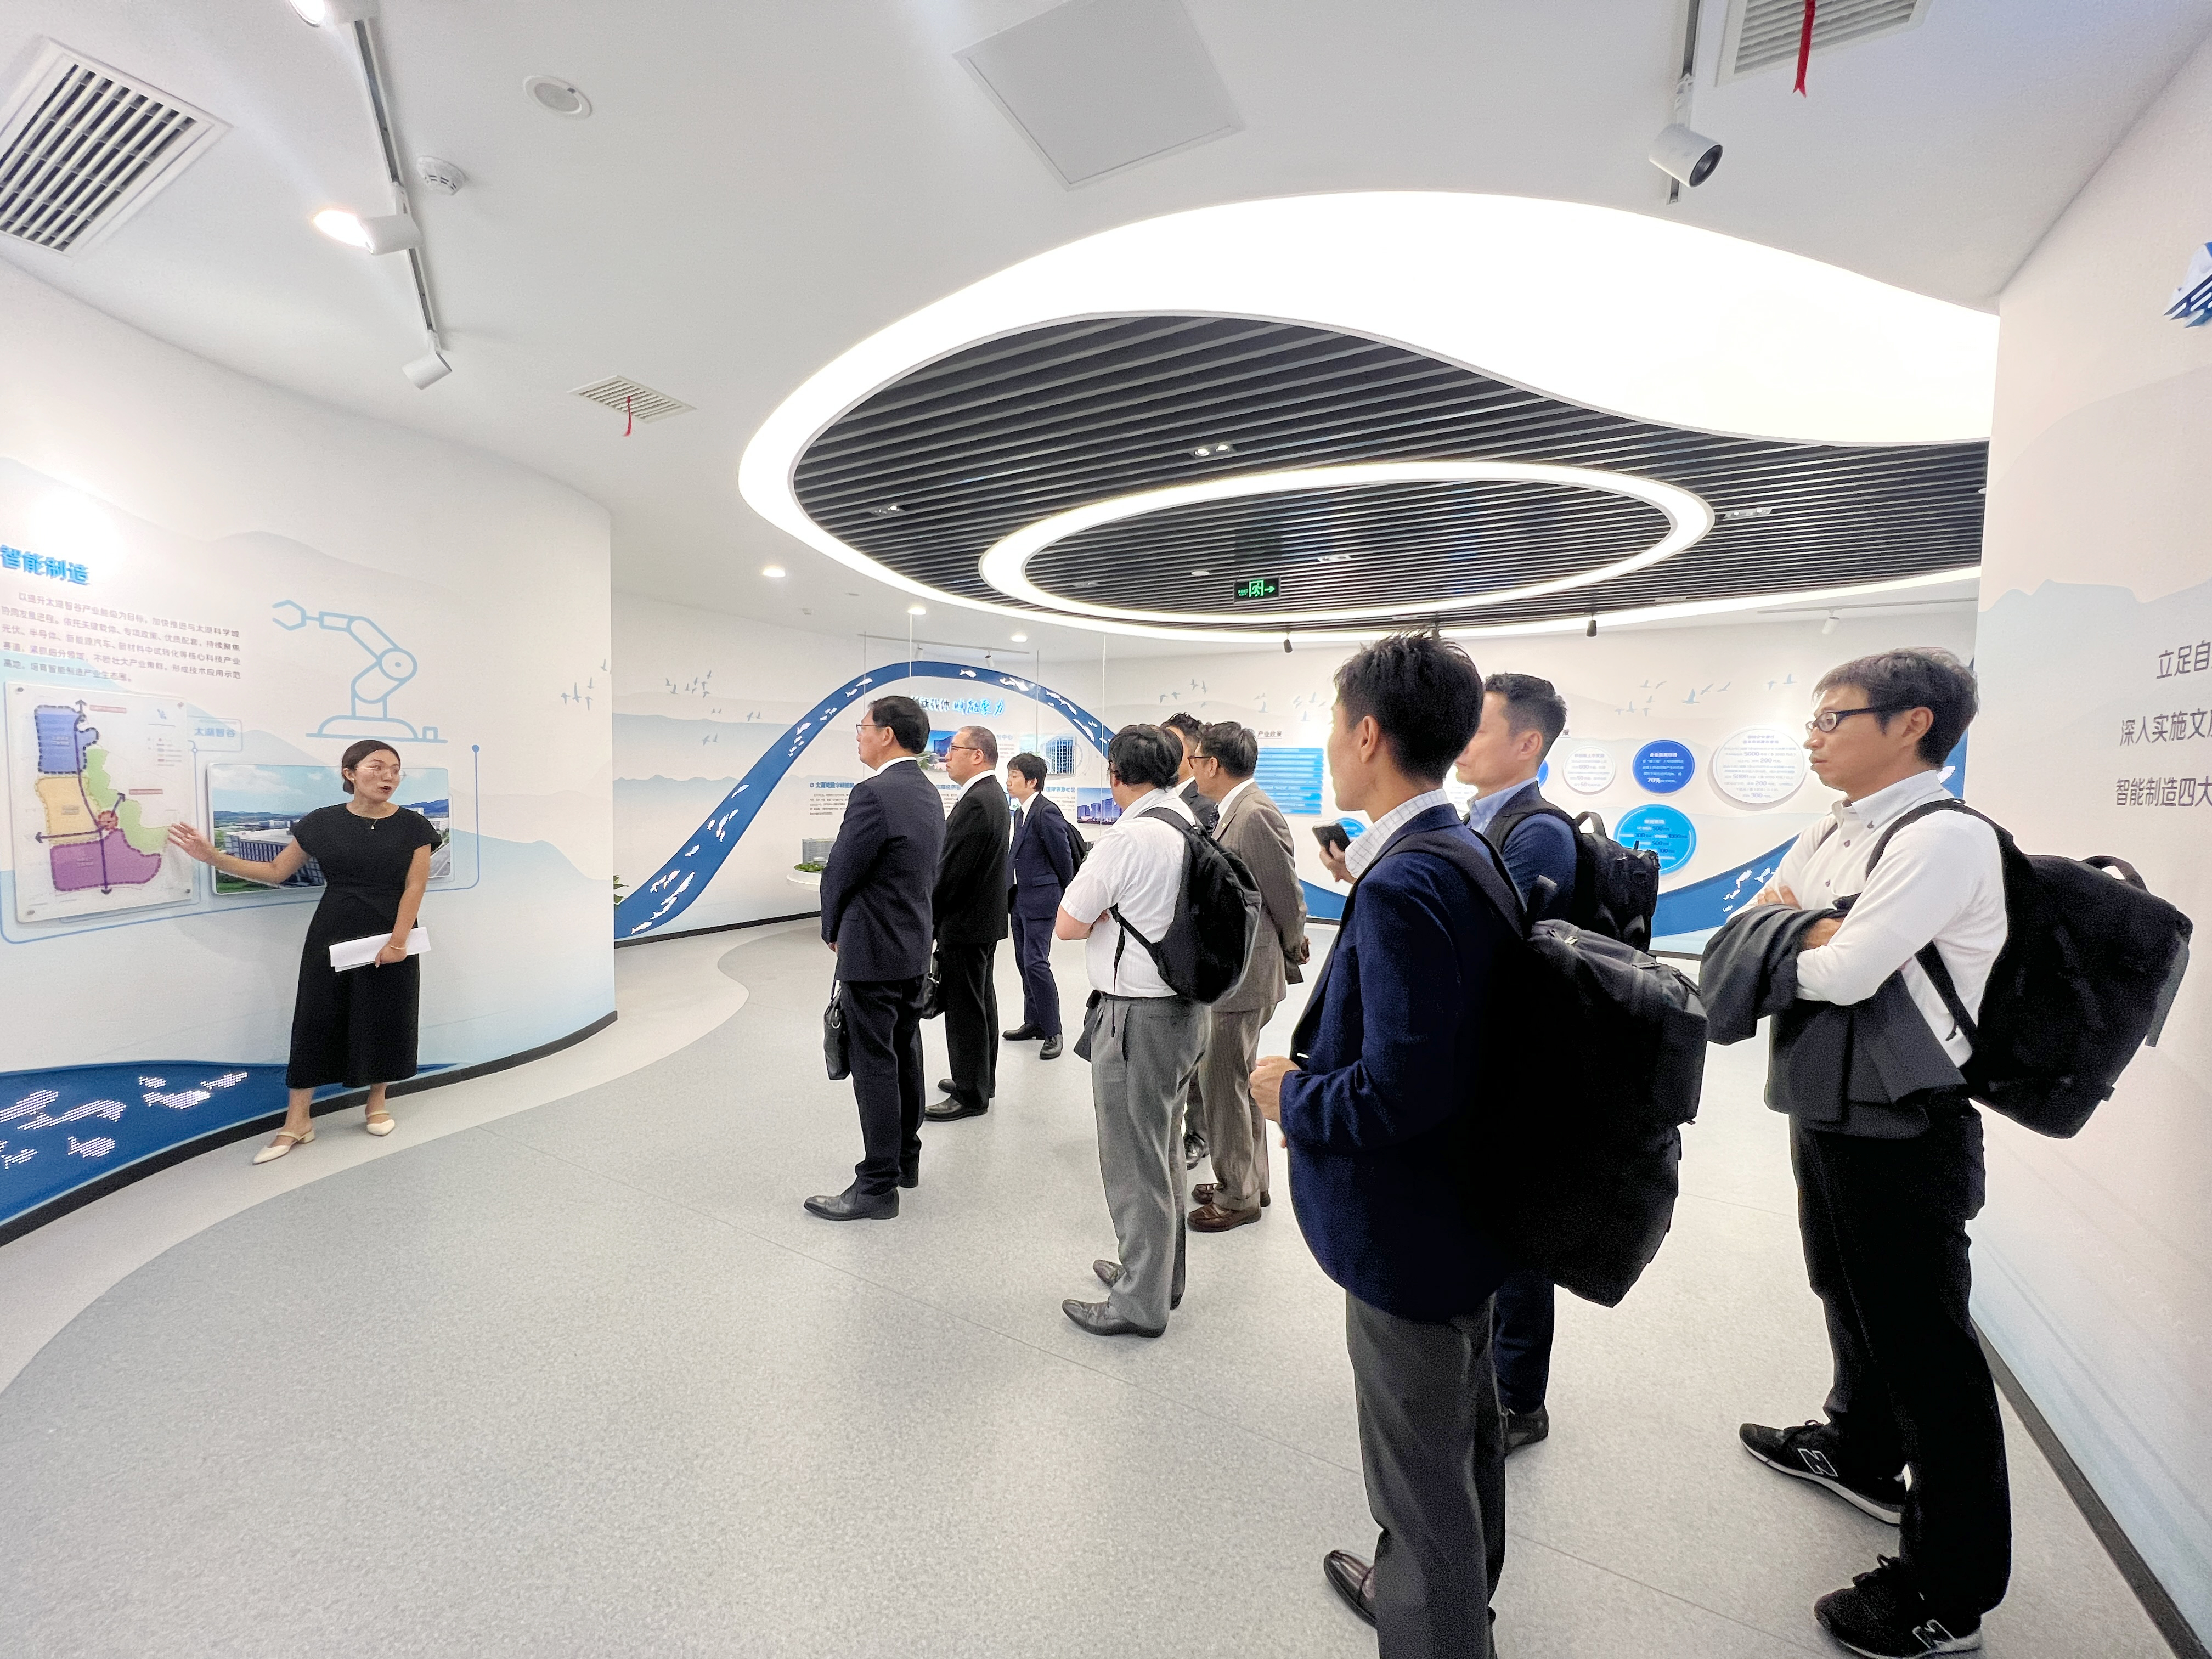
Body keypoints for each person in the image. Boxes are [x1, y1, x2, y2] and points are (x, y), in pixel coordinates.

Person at [1737, 648, 2010, 1659]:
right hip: (1829, 1098)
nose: (1812, 737)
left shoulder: (1944, 839)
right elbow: (1752, 922)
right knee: (1842, 1286)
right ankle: (1858, 1450)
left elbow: (1847, 972)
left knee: (1926, 1348)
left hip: (1907, 1122)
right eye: (1811, 720)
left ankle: (1949, 1589)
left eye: (1832, 718)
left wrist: (1800, 930)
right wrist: (1807, 929)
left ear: (1912, 722)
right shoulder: (1835, 827)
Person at [1251, 632, 1513, 1657]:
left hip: (1409, 1225)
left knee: (1418, 1474)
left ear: (1367, 734)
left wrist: (1292, 1094)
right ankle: (1450, 1601)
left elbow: (1401, 1086)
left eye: (1332, 724)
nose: (1328, 744)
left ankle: (1434, 1623)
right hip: (1467, 1204)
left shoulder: (1408, 881)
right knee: (1464, 1432)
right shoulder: (1461, 848)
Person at [166, 740, 437, 1163]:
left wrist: (398, 942)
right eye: (377, 767)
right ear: (349, 773)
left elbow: (415, 886)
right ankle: (298, 1121)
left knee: (387, 1014)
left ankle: (377, 1102)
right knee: (316, 1018)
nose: (389, 776)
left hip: (393, 932)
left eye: (395, 769)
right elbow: (276, 871)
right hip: (334, 928)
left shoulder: (415, 826)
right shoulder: (322, 822)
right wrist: (212, 856)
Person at [1452, 671, 1579, 1457]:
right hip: (1487, 1061)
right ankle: (1485, 1377)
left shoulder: (1538, 834)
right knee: (1486, 1226)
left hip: (1523, 1068)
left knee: (1519, 1241)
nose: (1462, 743)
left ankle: (1519, 1401)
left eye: (1479, 729)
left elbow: (1498, 950)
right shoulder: (1483, 820)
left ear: (1527, 743)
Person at [1054, 724, 1206, 1338]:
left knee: (1132, 1160)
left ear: (1117, 775)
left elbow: (1069, 922)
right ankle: (1159, 1277)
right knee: (1163, 1149)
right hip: (1186, 1010)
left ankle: (1139, 1303)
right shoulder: (1188, 822)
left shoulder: (1127, 837)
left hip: (1137, 1017)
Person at [806, 695, 945, 1220]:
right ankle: (906, 1159)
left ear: (887, 734)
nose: (859, 736)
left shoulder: (874, 793)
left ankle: (877, 1187)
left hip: (872, 948)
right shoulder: (927, 791)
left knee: (874, 1065)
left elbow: (841, 870)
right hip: (911, 945)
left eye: (863, 727)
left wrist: (831, 928)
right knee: (904, 1051)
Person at [1185, 720, 1306, 1231]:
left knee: (1223, 1086)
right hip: (1239, 971)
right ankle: (1249, 1179)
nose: (1192, 771)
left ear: (1213, 765)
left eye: (1195, 761)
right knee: (1238, 1080)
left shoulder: (1253, 814)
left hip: (1245, 976)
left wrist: (1293, 946)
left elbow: (1284, 895)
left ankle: (1238, 1196)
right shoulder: (1235, 810)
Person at [926, 725, 1011, 1124]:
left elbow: (951, 873)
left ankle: (970, 1093)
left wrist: (929, 920)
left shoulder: (978, 801)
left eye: (953, 749)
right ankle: (980, 1080)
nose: (946, 756)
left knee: (965, 1010)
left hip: (965, 922)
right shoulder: (991, 795)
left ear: (977, 755)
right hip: (981, 920)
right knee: (980, 1003)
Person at [1161, 711, 1217, 1172]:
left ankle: (1199, 1132)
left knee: (1202, 1050)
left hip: (1197, 940)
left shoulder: (1206, 805)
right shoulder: (1161, 798)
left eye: (1174, 744)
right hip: (1164, 943)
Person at [1002, 752, 1074, 1060]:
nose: (1009, 781)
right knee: (1023, 961)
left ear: (1032, 782)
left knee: (1036, 962)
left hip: (1042, 900)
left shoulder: (1047, 812)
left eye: (1015, 776)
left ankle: (1053, 1030)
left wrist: (1069, 898)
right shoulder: (1020, 813)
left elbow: (1063, 859)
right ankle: (1034, 1021)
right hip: (1020, 897)